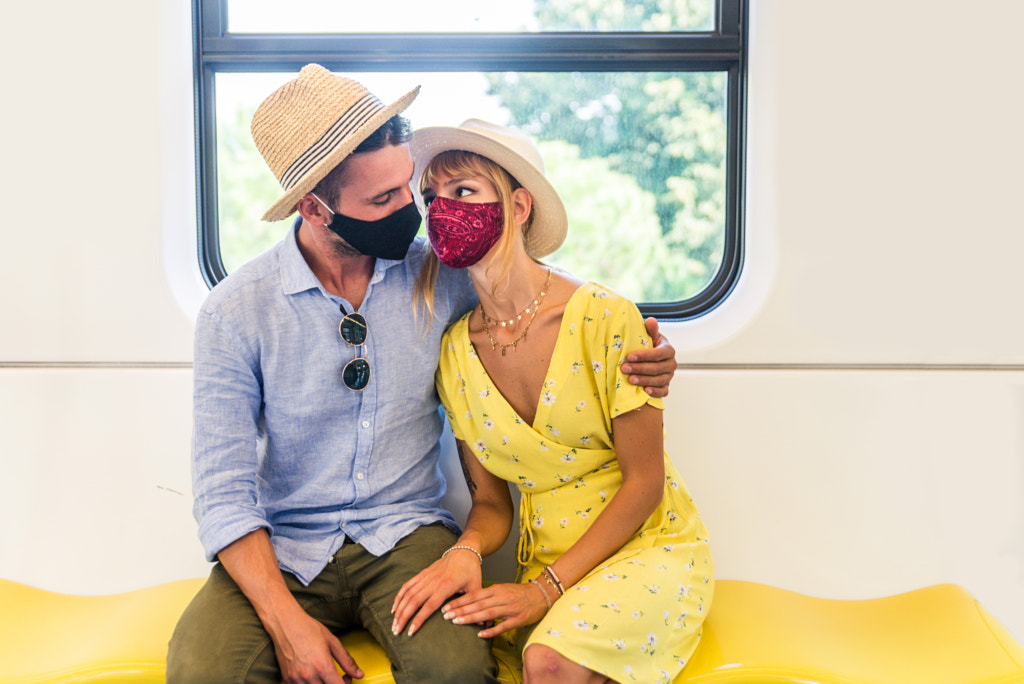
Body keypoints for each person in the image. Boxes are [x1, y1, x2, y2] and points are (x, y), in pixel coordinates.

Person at [167, 65, 678, 684]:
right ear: (315, 208)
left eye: (408, 189)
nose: (414, 213)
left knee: (457, 672)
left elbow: (533, 286)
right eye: (383, 201)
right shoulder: (235, 312)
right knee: (204, 673)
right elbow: (222, 493)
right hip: (285, 548)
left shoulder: (443, 273)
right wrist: (285, 623)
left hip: (404, 534)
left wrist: (645, 345)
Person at [391, 119, 714, 684]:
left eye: (464, 191)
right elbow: (492, 505)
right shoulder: (455, 355)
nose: (441, 209)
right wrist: (464, 552)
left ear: (518, 206)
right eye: (431, 197)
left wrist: (546, 592)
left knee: (547, 662)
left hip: (644, 549)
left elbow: (645, 483)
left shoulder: (605, 318)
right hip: (545, 561)